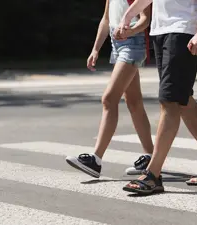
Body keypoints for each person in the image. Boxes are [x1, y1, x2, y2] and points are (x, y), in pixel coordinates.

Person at [117, 0, 197, 195]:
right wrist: (127, 17)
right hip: (160, 30)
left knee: (170, 101)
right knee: (182, 99)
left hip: (183, 30)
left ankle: (153, 174)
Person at [65, 0, 154, 178]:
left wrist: (130, 31)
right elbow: (106, 20)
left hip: (132, 43)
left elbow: (146, 18)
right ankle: (151, 158)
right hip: (117, 44)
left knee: (109, 99)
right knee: (134, 102)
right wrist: (95, 49)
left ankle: (95, 160)